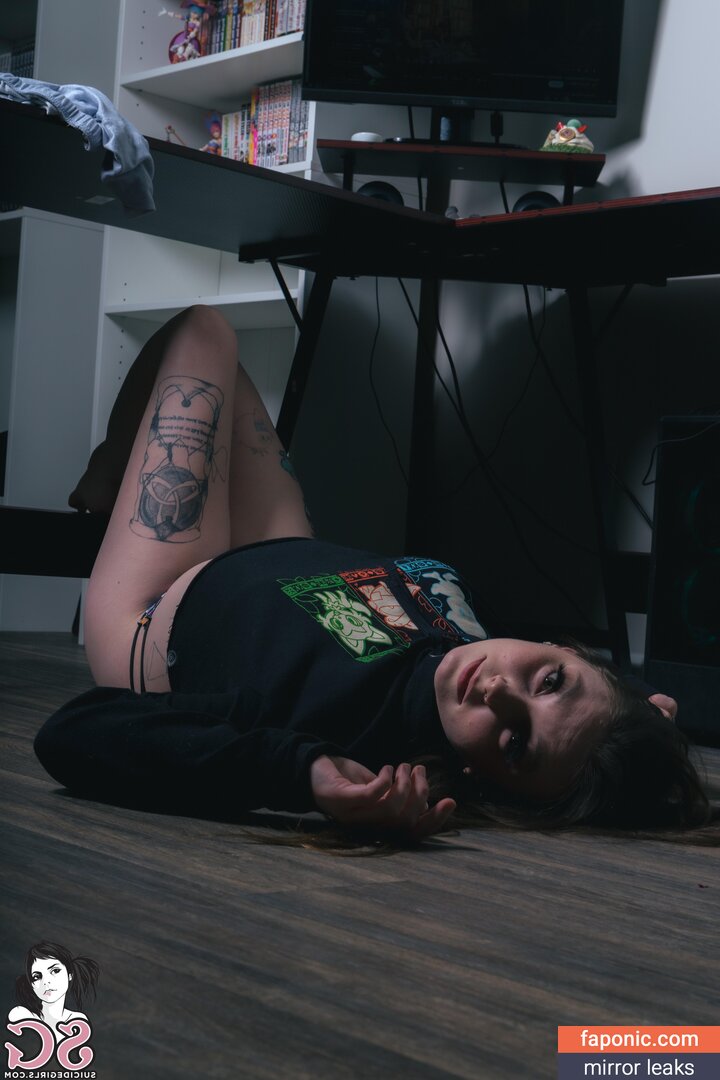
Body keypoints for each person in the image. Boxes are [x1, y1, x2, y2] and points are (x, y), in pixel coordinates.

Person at [34, 306, 713, 851]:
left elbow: (74, 731)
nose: (498, 691)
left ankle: (112, 470)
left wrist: (302, 772)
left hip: (162, 607)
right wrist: (646, 716)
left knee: (201, 332)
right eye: (550, 681)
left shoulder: (353, 737)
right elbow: (605, 720)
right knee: (224, 365)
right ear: (569, 651)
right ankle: (115, 469)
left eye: (515, 743)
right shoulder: (488, 654)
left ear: (485, 777)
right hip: (282, 552)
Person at [9, 941, 99, 1043]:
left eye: (55, 971)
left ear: (70, 975)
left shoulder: (77, 1021)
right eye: (37, 977)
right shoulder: (21, 1015)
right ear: (31, 984)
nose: (46, 982)